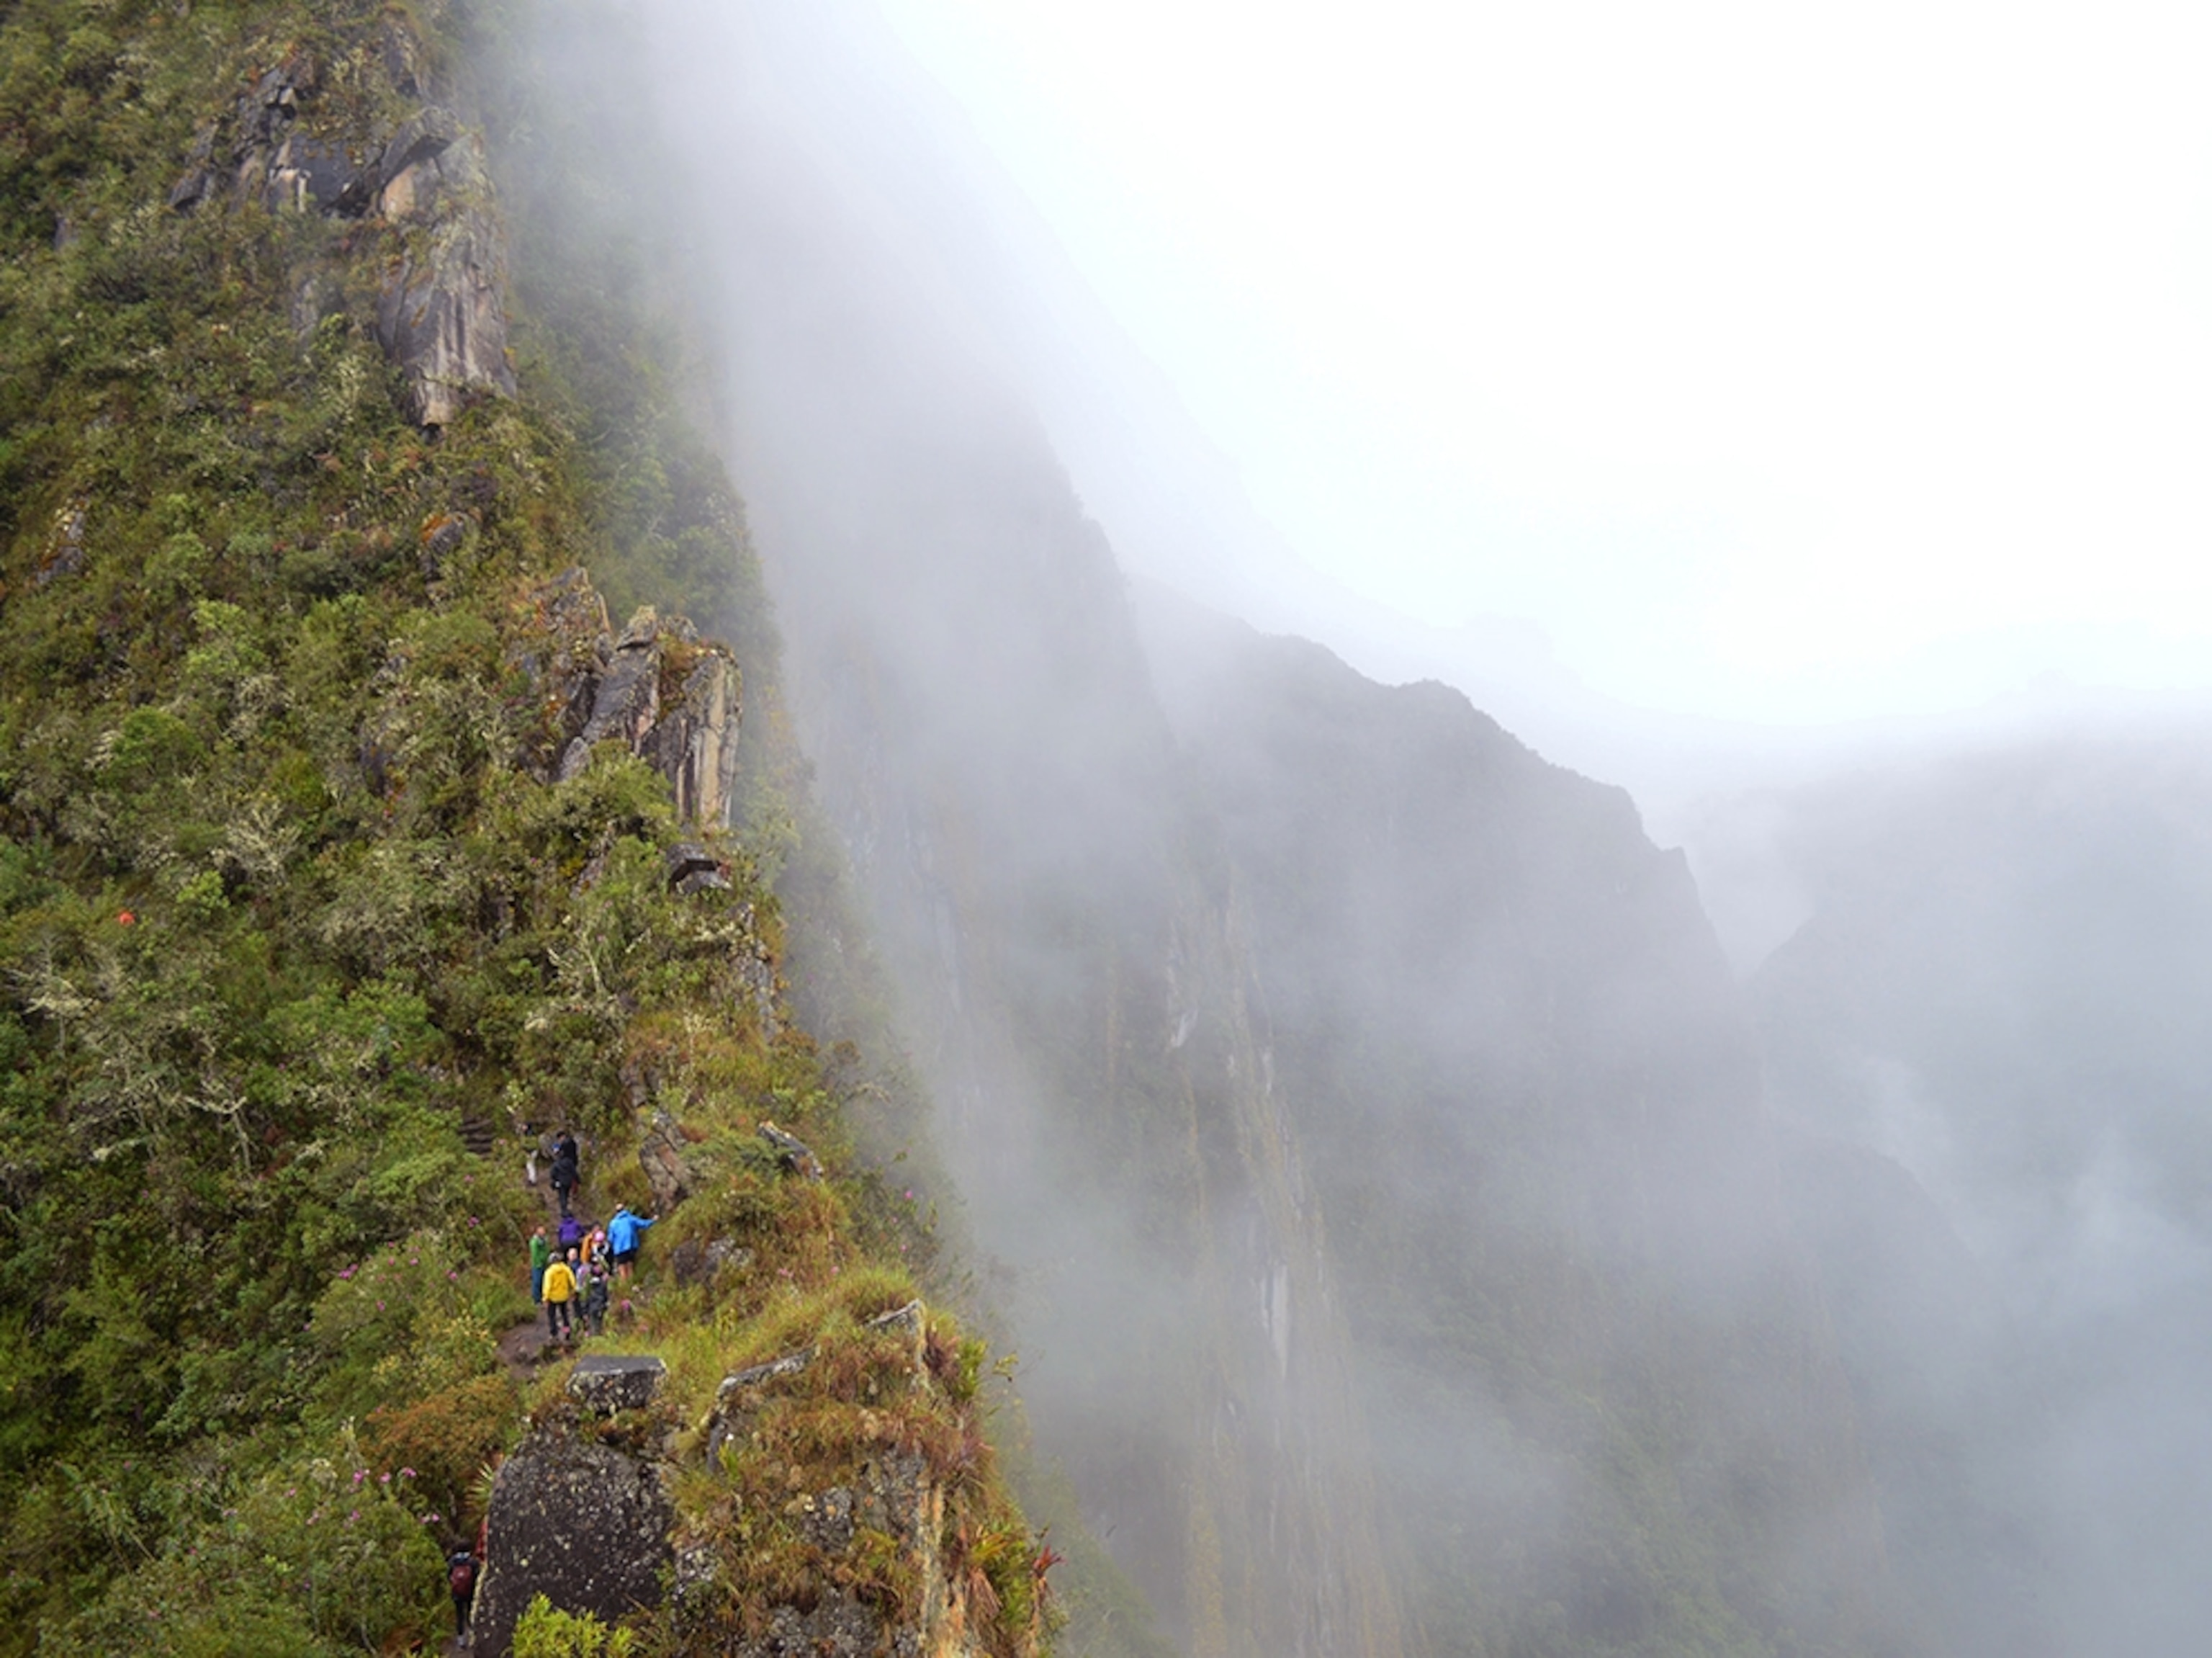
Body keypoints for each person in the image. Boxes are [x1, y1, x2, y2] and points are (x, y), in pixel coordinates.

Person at [607, 1203, 656, 1283]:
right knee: (630, 1267)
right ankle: (632, 1286)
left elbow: (611, 1238)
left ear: (616, 1212)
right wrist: (653, 1220)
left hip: (620, 1249)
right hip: (631, 1246)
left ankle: (625, 1289)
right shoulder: (631, 1219)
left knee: (622, 1270)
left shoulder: (613, 1223)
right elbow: (643, 1224)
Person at [541, 1248, 577, 1341]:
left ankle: (554, 1334)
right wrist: (573, 1291)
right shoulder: (566, 1269)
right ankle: (567, 1332)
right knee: (565, 1315)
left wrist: (545, 1298)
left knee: (552, 1316)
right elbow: (572, 1280)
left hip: (553, 1297)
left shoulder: (549, 1272)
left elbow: (547, 1286)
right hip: (564, 1296)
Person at [447, 1546, 477, 1646]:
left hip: (457, 1594)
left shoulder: (452, 1561)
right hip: (470, 1592)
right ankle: (472, 1635)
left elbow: (448, 1576)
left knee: (459, 1615)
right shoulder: (472, 1562)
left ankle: (461, 1639)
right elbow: (477, 1575)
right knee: (471, 1613)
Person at [549, 1130, 580, 1219]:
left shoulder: (556, 1164)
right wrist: (578, 1180)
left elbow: (553, 1173)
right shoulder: (572, 1143)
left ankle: (564, 1210)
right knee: (568, 1193)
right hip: (569, 1179)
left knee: (562, 1196)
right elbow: (574, 1172)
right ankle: (569, 1209)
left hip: (560, 1182)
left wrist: (554, 1181)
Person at [583, 1257, 611, 1336]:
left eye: (598, 1265)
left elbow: (607, 1294)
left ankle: (597, 1338)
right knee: (595, 1325)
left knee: (598, 1325)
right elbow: (585, 1297)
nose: (597, 1268)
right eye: (595, 1265)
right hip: (595, 1307)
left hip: (598, 1306)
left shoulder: (604, 1281)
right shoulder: (589, 1282)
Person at [528, 1225, 550, 1306]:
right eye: (542, 1231)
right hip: (538, 1265)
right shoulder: (535, 1242)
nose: (543, 1232)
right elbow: (535, 1254)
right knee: (537, 1282)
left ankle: (542, 1298)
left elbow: (547, 1250)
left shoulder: (544, 1241)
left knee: (543, 1281)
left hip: (544, 1263)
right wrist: (538, 1263)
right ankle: (536, 1299)